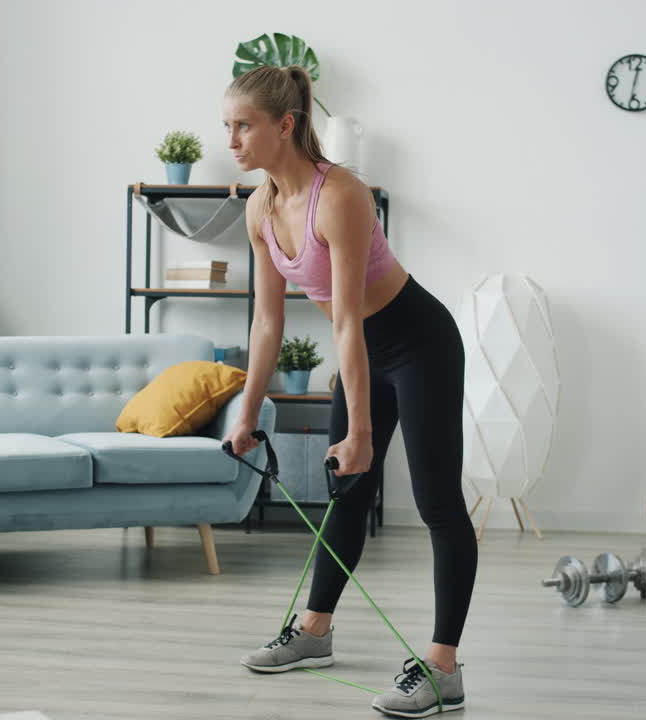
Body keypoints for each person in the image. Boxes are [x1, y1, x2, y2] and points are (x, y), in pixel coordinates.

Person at [221, 65, 478, 718]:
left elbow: (343, 315)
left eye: (243, 126)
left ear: (285, 125)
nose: (232, 142)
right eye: (227, 127)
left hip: (418, 344)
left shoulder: (340, 195)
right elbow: (267, 320)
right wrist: (247, 414)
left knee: (436, 501)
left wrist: (359, 432)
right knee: (348, 491)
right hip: (361, 348)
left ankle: (444, 667)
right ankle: (314, 631)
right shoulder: (260, 207)